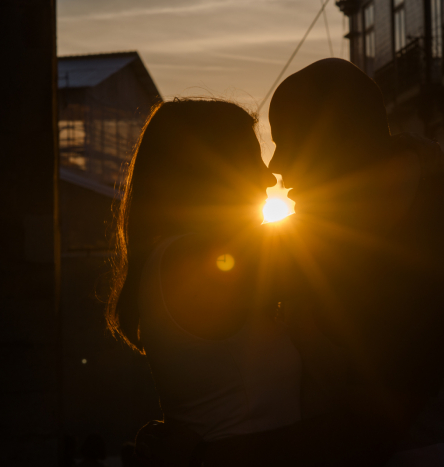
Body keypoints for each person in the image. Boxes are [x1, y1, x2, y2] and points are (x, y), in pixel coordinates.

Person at [110, 98, 397, 467]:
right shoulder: (195, 258)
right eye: (252, 158)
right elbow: (341, 235)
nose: (269, 176)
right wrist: (398, 165)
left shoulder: (175, 256)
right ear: (208, 169)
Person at [267, 58, 444, 466]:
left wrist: (217, 452)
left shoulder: (428, 250)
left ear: (334, 141)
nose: (275, 167)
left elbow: (370, 429)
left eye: (287, 141)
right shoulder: (333, 237)